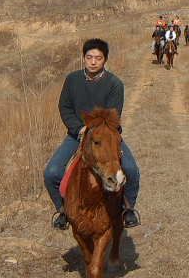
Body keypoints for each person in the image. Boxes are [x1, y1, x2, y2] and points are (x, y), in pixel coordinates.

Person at [43, 38, 141, 230]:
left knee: (130, 169)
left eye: (98, 58)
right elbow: (65, 107)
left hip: (106, 138)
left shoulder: (115, 84)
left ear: (105, 60)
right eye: (89, 57)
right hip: (76, 135)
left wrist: (93, 133)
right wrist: (79, 130)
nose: (93, 62)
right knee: (51, 172)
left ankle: (127, 209)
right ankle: (63, 211)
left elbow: (112, 116)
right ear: (84, 58)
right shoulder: (72, 80)